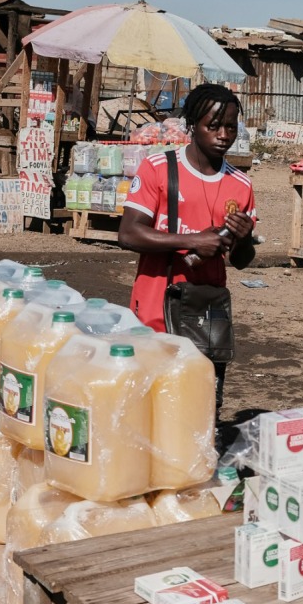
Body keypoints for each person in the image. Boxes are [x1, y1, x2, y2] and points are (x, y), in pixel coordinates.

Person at [118, 83, 257, 413]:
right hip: (155, 309)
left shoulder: (242, 184)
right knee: (150, 407)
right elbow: (128, 234)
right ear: (192, 126)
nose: (223, 135)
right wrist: (193, 240)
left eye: (231, 127)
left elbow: (242, 261)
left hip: (207, 315)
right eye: (214, 126)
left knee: (201, 407)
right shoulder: (158, 169)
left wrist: (244, 237)